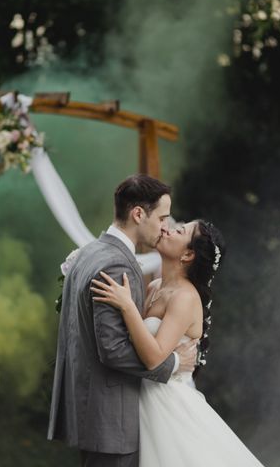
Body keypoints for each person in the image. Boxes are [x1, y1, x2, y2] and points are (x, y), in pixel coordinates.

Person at [47, 174, 199, 467]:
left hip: (89, 412)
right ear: (138, 214)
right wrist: (173, 365)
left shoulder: (89, 253)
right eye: (163, 218)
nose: (165, 227)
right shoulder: (117, 264)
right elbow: (113, 349)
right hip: (110, 420)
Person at [90, 220, 266, 466]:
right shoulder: (154, 286)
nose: (167, 229)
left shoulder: (185, 297)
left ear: (188, 254)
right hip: (139, 398)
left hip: (167, 405)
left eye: (179, 231)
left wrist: (128, 306)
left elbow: (154, 358)